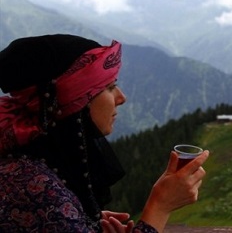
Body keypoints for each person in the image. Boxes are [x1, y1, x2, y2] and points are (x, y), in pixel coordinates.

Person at [0, 34, 209, 233]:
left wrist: (80, 219)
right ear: (75, 101)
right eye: (109, 87)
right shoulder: (35, 190)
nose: (121, 98)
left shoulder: (31, 165)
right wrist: (160, 206)